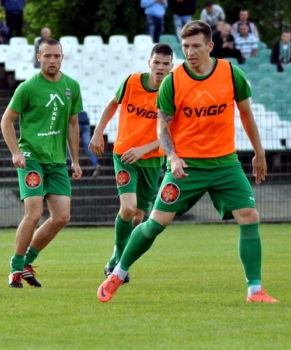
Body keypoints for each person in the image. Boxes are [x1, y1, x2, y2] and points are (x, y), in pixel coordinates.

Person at [97, 20, 278, 304]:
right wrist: (172, 156)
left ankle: (255, 291)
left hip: (224, 164)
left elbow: (246, 114)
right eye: (186, 46)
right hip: (187, 166)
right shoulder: (173, 80)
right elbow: (162, 128)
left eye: (196, 46)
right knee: (156, 222)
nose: (190, 52)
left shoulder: (232, 74)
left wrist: (259, 152)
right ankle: (117, 273)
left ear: (210, 46)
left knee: (250, 217)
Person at [0, 39, 83, 288]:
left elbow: (72, 124)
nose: (52, 60)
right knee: (34, 213)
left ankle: (27, 261)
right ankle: (15, 269)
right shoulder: (28, 88)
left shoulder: (71, 86)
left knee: (62, 217)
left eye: (56, 56)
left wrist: (75, 160)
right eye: (47, 56)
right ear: (39, 58)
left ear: (62, 57)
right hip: (31, 159)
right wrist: (16, 152)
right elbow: (6, 121)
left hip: (57, 162)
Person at [89, 44, 173, 283]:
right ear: (149, 63)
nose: (160, 67)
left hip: (152, 160)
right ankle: (117, 261)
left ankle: (116, 259)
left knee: (138, 217)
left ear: (171, 67)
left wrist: (144, 149)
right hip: (124, 156)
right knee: (127, 208)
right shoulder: (131, 82)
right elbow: (112, 104)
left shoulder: (172, 92)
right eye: (156, 62)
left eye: (165, 64)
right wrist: (98, 133)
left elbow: (170, 133)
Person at [76, 110, 101, 179]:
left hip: (76, 123)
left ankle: (74, 165)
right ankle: (96, 164)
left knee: (71, 146)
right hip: (86, 124)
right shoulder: (84, 108)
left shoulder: (71, 105)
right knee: (88, 146)